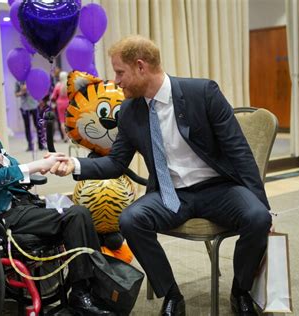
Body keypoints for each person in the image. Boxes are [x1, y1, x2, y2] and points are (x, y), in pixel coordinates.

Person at [50, 35, 272, 316]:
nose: (116, 81)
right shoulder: (129, 111)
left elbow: (239, 152)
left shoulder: (202, 93)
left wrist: (262, 202)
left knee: (258, 217)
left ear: (141, 67)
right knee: (130, 220)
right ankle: (171, 294)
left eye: (120, 72)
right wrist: (74, 164)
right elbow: (117, 163)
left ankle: (240, 290)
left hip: (219, 189)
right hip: (171, 195)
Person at [0, 86, 114, 316]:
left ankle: (93, 289)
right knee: (76, 215)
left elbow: (7, 164)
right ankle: (83, 294)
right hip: (0, 217)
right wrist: (35, 166)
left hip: (21, 205)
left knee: (80, 213)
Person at [14, 81, 45, 151]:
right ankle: (30, 145)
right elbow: (16, 94)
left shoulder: (32, 78)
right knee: (27, 127)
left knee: (38, 125)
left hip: (34, 105)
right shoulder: (18, 81)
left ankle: (41, 145)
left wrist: (40, 100)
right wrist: (22, 91)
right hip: (24, 107)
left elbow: (37, 91)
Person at [51, 71, 70, 142]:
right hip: (69, 103)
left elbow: (53, 96)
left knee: (62, 121)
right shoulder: (69, 84)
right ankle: (70, 136)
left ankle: (65, 136)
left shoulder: (58, 85)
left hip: (60, 104)